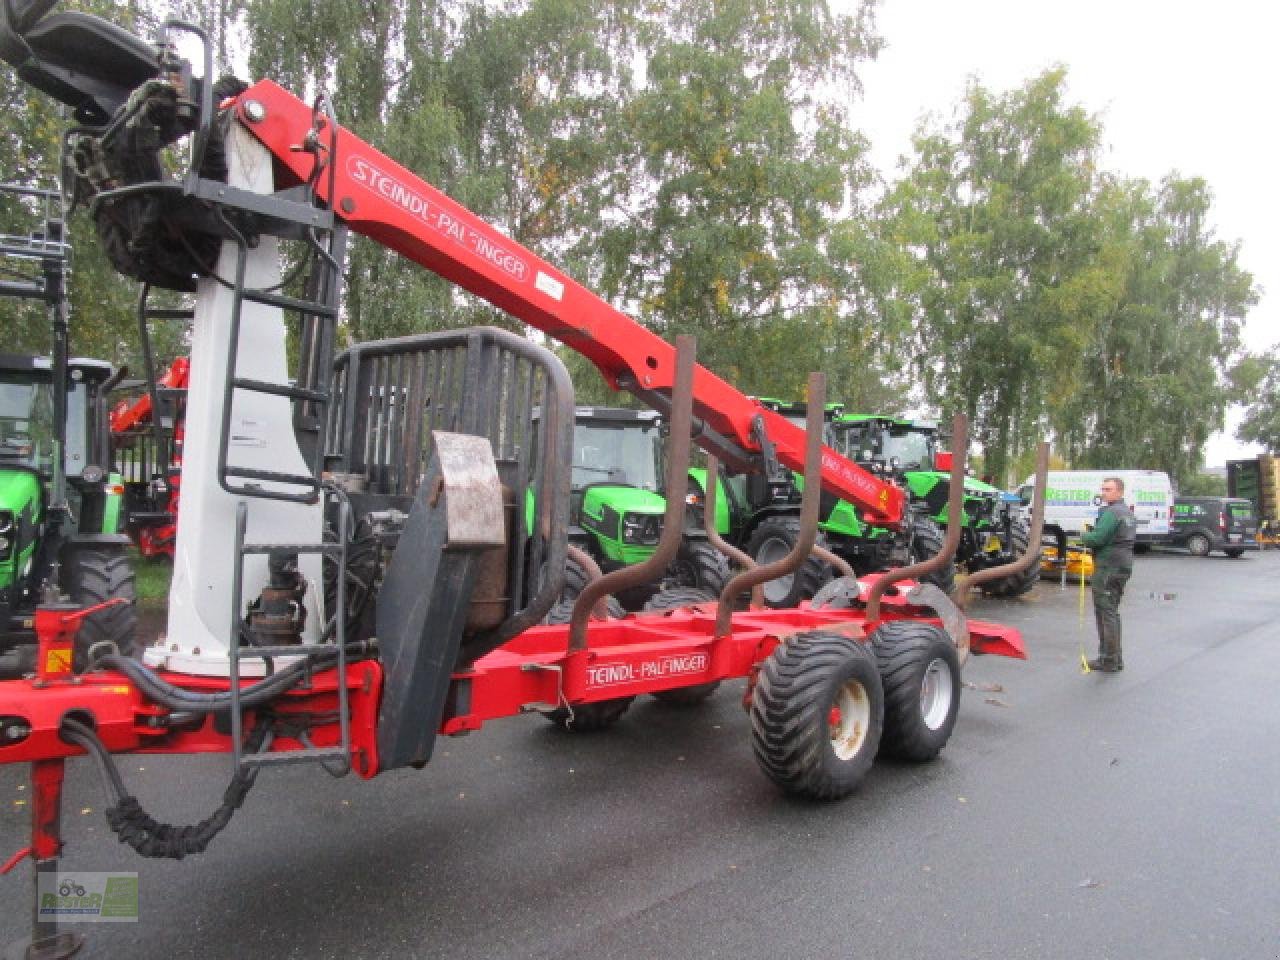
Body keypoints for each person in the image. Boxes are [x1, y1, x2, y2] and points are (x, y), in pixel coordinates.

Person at [1080, 476, 1136, 673]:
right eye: (1103, 489)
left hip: (1108, 567)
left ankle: (1109, 659)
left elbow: (1097, 538)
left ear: (1119, 492)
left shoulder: (1112, 513)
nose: (1104, 493)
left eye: (1108, 489)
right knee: (1112, 611)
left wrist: (1084, 536)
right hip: (1123, 565)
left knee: (1105, 612)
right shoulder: (1127, 513)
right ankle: (1114, 657)